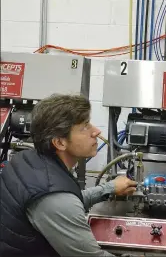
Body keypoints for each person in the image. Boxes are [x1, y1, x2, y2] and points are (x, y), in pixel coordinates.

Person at [0, 94, 137, 256]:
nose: (96, 131)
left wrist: (109, 188)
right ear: (59, 142)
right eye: (85, 126)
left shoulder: (27, 159)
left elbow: (69, 200)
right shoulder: (54, 198)